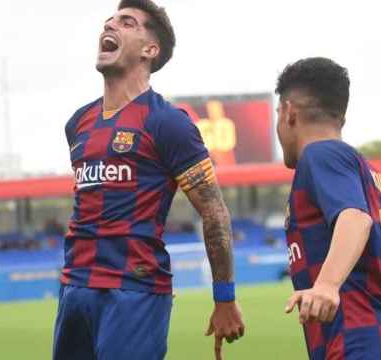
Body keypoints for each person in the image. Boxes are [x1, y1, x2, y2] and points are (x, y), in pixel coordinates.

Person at [53, 1, 245, 359]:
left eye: (126, 23)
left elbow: (215, 211)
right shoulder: (78, 123)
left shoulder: (168, 123)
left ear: (149, 50)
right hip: (75, 287)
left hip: (134, 291)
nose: (110, 26)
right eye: (108, 21)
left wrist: (225, 298)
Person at [275, 57, 381, 359]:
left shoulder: (319, 154)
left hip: (356, 339)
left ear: (289, 112)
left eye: (278, 112)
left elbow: (355, 219)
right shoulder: (372, 176)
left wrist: (326, 286)